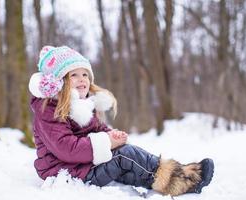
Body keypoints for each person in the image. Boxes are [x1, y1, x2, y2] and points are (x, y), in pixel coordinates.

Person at [28, 45, 214, 196]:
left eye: (85, 74)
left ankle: (174, 180)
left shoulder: (82, 105)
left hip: (81, 165)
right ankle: (179, 180)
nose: (82, 79)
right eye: (73, 75)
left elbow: (96, 128)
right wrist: (108, 142)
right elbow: (66, 148)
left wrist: (110, 134)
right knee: (124, 155)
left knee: (128, 163)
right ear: (59, 82)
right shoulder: (48, 109)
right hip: (65, 173)